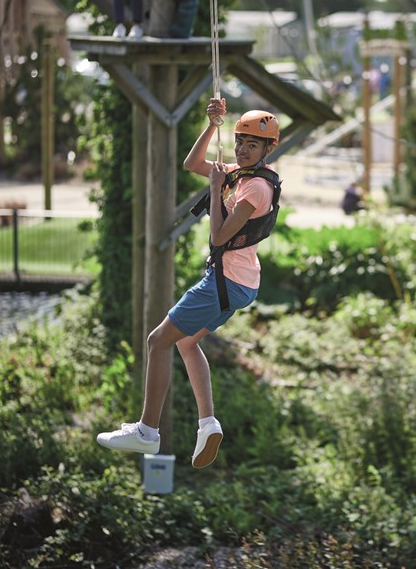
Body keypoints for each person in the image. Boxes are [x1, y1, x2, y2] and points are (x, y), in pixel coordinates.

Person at [97, 99, 281, 468]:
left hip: (225, 282)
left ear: (267, 149)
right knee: (184, 342)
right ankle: (207, 423)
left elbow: (219, 237)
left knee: (157, 341)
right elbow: (192, 164)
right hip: (238, 283)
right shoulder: (242, 175)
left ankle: (147, 432)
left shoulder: (254, 189)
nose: (243, 148)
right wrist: (213, 125)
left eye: (252, 144)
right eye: (240, 141)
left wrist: (215, 190)